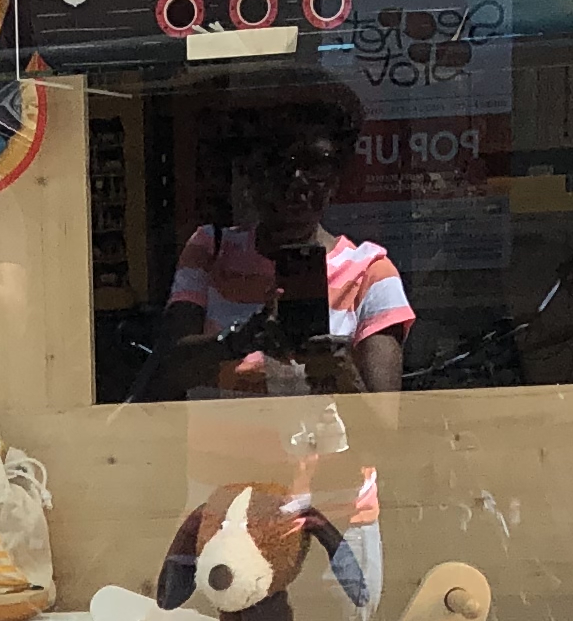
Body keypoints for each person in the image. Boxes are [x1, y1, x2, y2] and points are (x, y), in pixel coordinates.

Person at [136, 92, 414, 400]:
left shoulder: (370, 273)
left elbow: (384, 427)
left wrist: (342, 371)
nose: (296, 179)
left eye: (315, 165)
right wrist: (239, 340)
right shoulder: (209, 250)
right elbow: (170, 369)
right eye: (276, 161)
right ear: (249, 174)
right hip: (220, 450)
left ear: (336, 179)